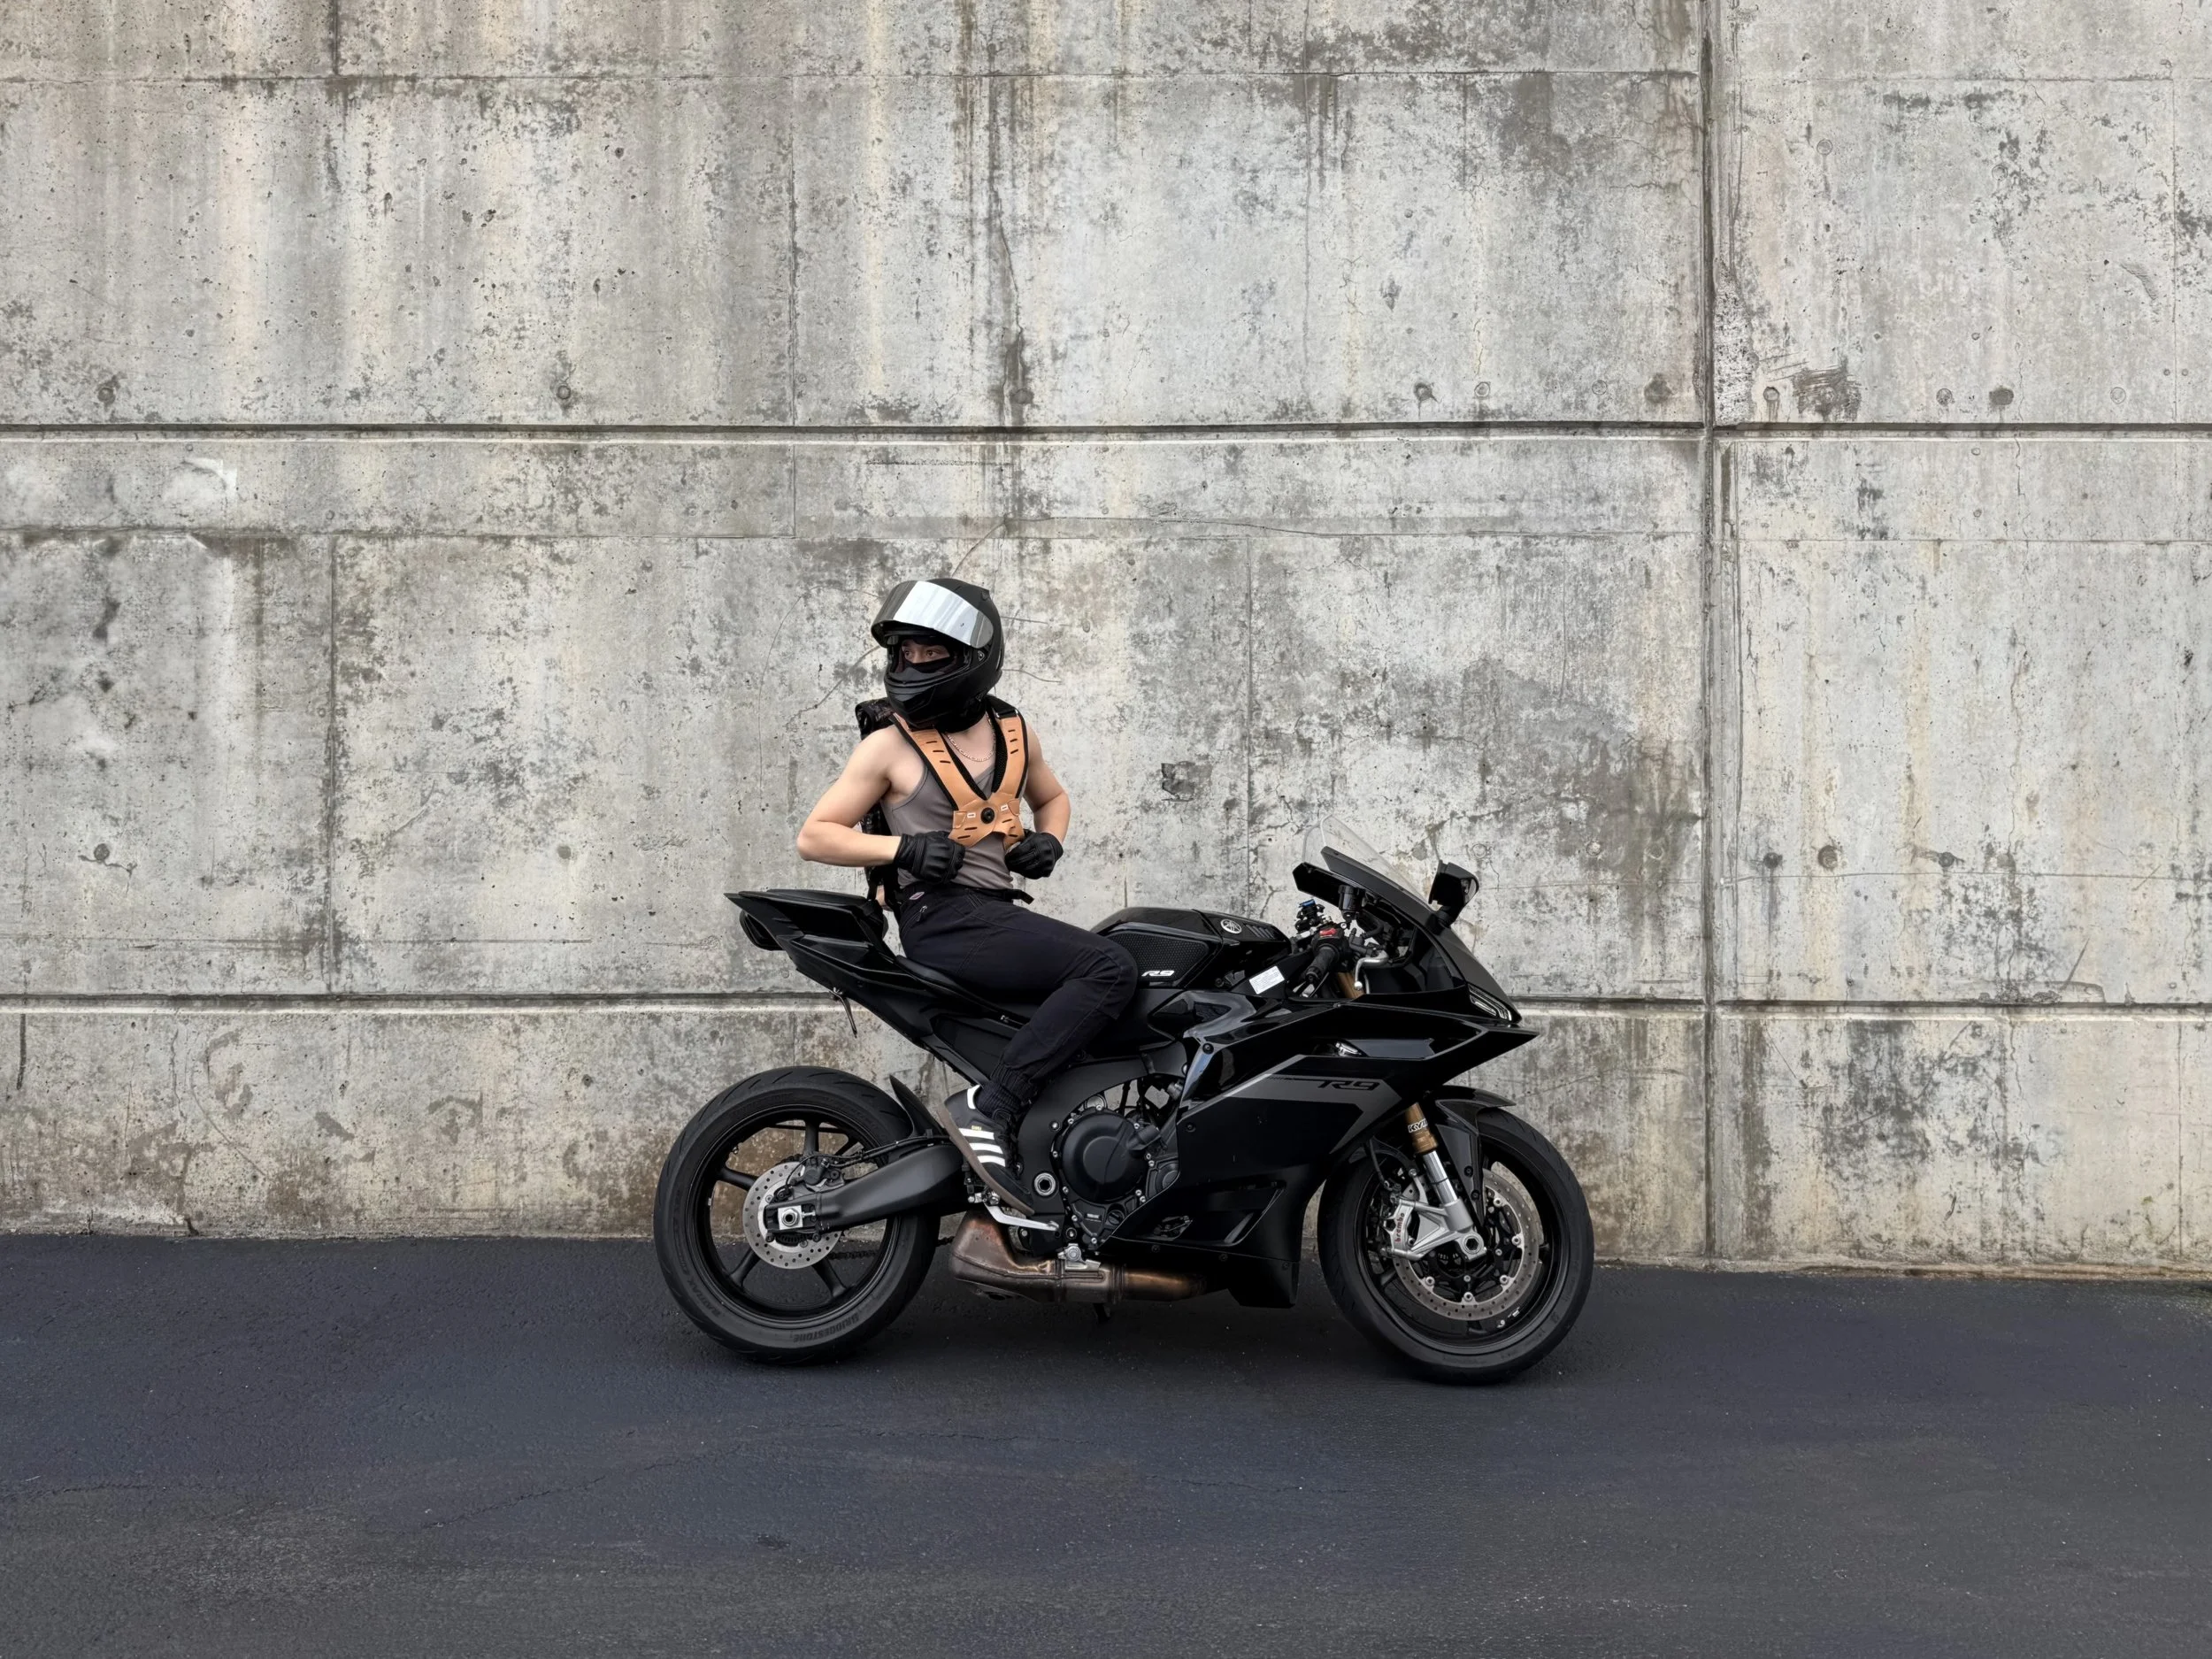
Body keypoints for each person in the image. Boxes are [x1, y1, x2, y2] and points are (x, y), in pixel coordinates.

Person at [795, 578, 1136, 1215]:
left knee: (1126, 957)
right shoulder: (888, 746)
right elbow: (815, 836)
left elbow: (1052, 797)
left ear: (972, 655)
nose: (912, 665)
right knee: (1109, 968)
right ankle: (995, 1106)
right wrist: (902, 851)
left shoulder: (1013, 733)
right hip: (942, 920)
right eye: (903, 653)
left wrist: (1050, 840)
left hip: (995, 915)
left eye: (929, 653)